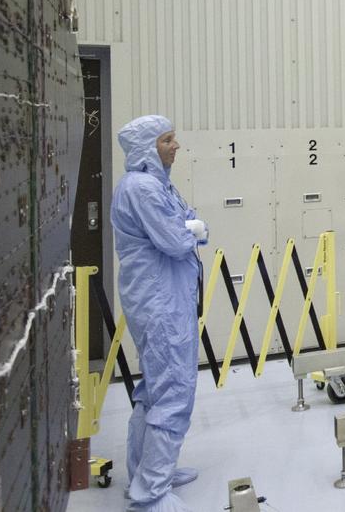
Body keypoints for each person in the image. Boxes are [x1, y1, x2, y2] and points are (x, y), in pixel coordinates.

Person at [112, 115, 207, 512]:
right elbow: (175, 237)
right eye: (167, 140)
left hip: (163, 297)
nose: (176, 146)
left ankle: (147, 474)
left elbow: (190, 220)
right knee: (173, 390)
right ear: (147, 147)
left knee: (154, 389)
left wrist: (191, 227)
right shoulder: (143, 188)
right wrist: (192, 230)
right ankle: (150, 495)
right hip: (160, 302)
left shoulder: (157, 185)